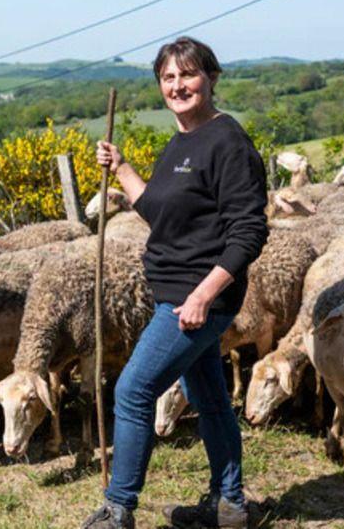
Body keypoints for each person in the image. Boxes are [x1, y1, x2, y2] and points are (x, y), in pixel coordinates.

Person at [81, 37, 269, 529]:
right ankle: (228, 506)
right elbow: (160, 212)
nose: (178, 85)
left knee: (133, 390)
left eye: (188, 75)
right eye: (168, 77)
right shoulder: (182, 142)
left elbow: (249, 232)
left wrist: (204, 296)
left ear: (211, 78)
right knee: (208, 398)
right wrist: (121, 168)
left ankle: (118, 508)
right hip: (177, 295)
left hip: (196, 300)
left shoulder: (228, 142)